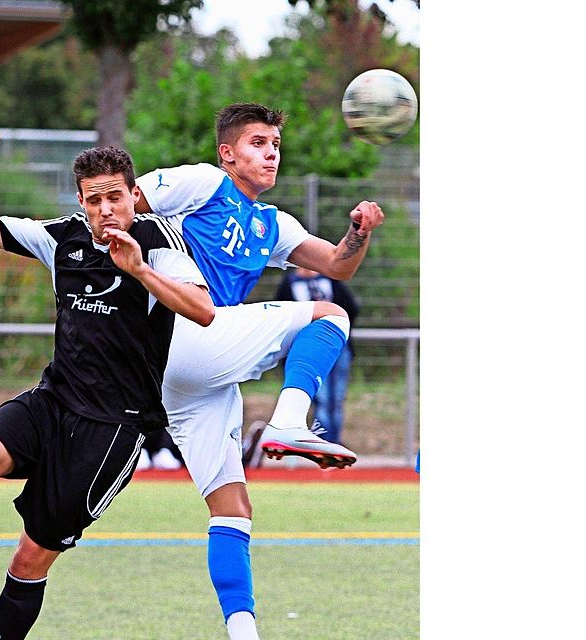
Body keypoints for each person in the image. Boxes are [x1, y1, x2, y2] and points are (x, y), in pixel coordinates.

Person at [0, 96, 214, 638]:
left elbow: (203, 310)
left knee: (30, 558)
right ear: (81, 201)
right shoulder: (64, 238)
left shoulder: (158, 243)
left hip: (113, 427)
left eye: (115, 198)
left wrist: (140, 270)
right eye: (94, 200)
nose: (105, 210)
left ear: (134, 197)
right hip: (54, 402)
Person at [132, 102, 385, 639]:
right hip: (187, 330)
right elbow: (126, 202)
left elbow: (338, 264)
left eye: (275, 144)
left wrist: (358, 231)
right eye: (256, 143)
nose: (270, 153)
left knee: (232, 508)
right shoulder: (203, 183)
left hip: (192, 374)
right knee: (329, 315)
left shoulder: (274, 223)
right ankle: (289, 422)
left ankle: (243, 633)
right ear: (227, 153)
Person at [275, 266, 360, 446]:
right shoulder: (289, 284)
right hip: (308, 348)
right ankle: (323, 441)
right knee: (321, 398)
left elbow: (351, 307)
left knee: (336, 398)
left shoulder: (330, 279)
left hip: (338, 346)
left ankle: (335, 441)